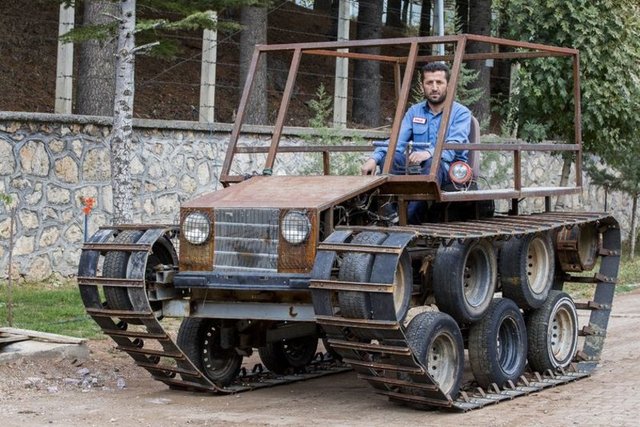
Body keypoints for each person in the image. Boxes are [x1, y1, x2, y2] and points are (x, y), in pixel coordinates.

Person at [360, 62, 471, 224]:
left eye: (439, 82)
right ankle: (388, 215)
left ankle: (406, 222)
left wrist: (430, 153)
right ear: (422, 86)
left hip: (448, 168)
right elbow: (397, 141)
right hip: (417, 166)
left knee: (432, 165)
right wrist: (374, 158)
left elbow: (454, 143)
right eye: (429, 82)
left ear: (448, 85)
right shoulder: (414, 111)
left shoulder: (461, 113)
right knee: (388, 160)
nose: (434, 88)